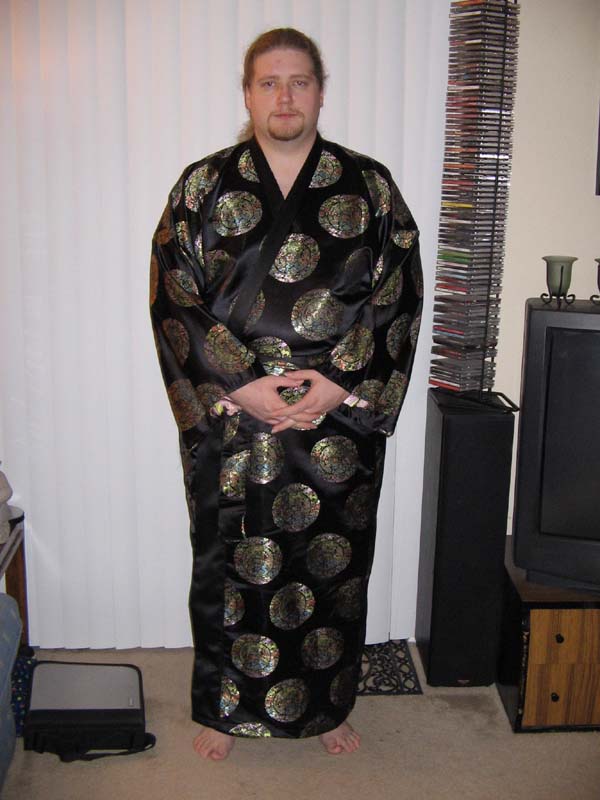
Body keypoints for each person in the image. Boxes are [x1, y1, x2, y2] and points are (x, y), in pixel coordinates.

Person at [150, 27, 423, 760]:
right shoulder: (203, 186)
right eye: (269, 82)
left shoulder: (369, 187)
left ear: (320, 92)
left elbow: (398, 293)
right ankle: (226, 709)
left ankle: (325, 710)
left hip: (335, 412)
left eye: (299, 81)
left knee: (330, 566)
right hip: (235, 413)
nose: (284, 96)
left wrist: (340, 383)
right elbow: (174, 294)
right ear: (248, 94)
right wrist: (241, 385)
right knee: (231, 565)